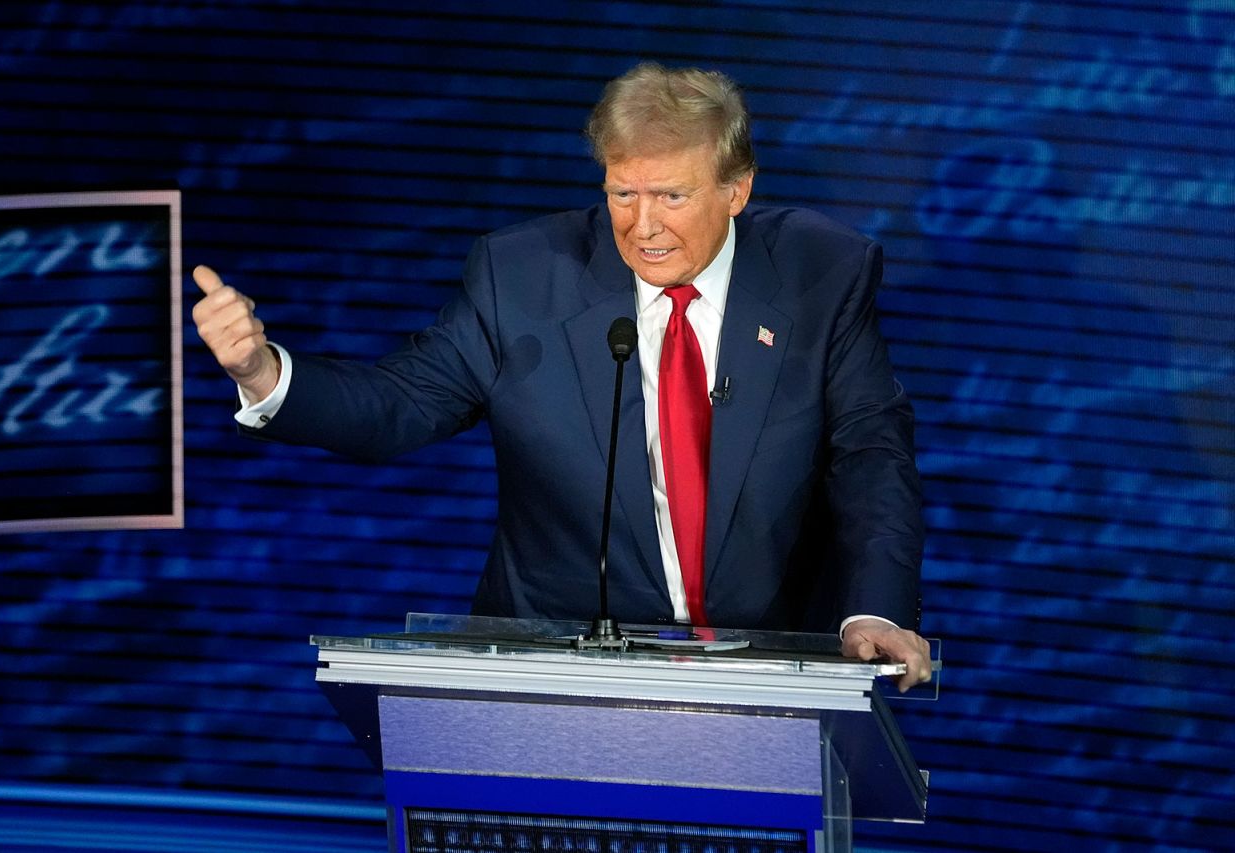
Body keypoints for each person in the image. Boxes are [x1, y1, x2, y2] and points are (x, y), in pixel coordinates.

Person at [193, 62, 933, 691]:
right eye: (622, 194)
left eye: (671, 196)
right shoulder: (521, 280)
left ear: (736, 190)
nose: (642, 227)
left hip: (765, 670)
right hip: (556, 670)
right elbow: (398, 406)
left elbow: (871, 454)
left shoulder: (820, 275)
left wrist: (875, 608)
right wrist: (263, 371)